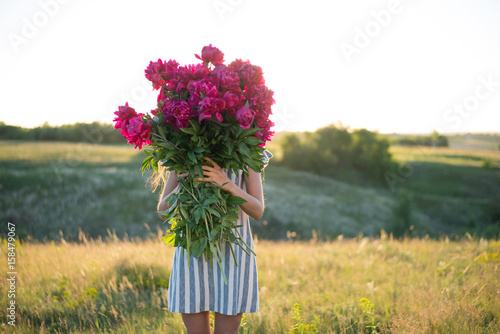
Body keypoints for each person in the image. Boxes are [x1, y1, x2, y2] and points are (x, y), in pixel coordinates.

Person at [155, 150, 272, 334]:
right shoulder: (181, 146)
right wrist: (184, 183)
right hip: (192, 251)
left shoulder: (248, 147)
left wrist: (226, 183)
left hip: (232, 252)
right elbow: (162, 210)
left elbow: (257, 210)